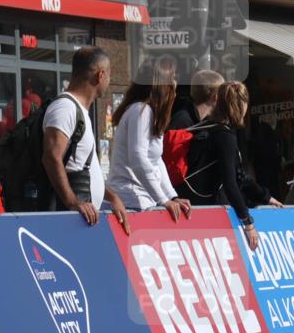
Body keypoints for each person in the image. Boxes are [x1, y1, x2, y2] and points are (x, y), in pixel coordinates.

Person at [178, 81, 281, 251]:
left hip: (194, 205)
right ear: (241, 104)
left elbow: (239, 175)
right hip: (210, 210)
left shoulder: (209, 126)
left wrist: (266, 197)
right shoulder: (224, 135)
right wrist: (248, 223)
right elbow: (231, 182)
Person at [42, 46, 130, 233]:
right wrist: (73, 202)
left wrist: (112, 197)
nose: (109, 81)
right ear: (100, 75)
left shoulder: (81, 111)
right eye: (109, 76)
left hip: (82, 219)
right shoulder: (65, 108)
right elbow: (51, 157)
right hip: (69, 220)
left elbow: (81, 166)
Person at [107, 56, 191, 220]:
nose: (175, 84)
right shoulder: (142, 111)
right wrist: (163, 199)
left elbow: (156, 160)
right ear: (162, 82)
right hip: (131, 200)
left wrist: (171, 196)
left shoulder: (147, 112)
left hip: (141, 199)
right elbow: (138, 158)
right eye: (173, 78)